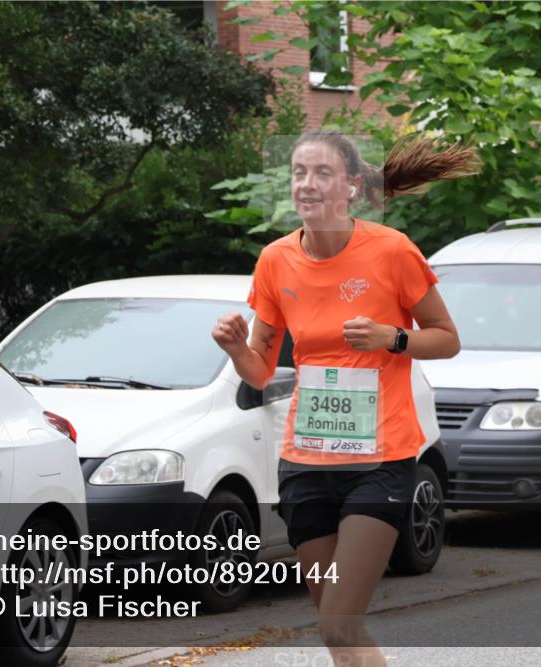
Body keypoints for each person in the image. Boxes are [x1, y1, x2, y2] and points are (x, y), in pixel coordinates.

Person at [211, 131, 478, 666]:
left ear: (352, 186)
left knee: (339, 620)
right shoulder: (276, 261)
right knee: (337, 633)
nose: (307, 184)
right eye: (298, 173)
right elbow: (261, 373)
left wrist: (392, 338)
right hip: (306, 464)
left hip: (379, 463)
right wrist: (239, 349)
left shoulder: (392, 251)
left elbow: (447, 338)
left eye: (321, 173)